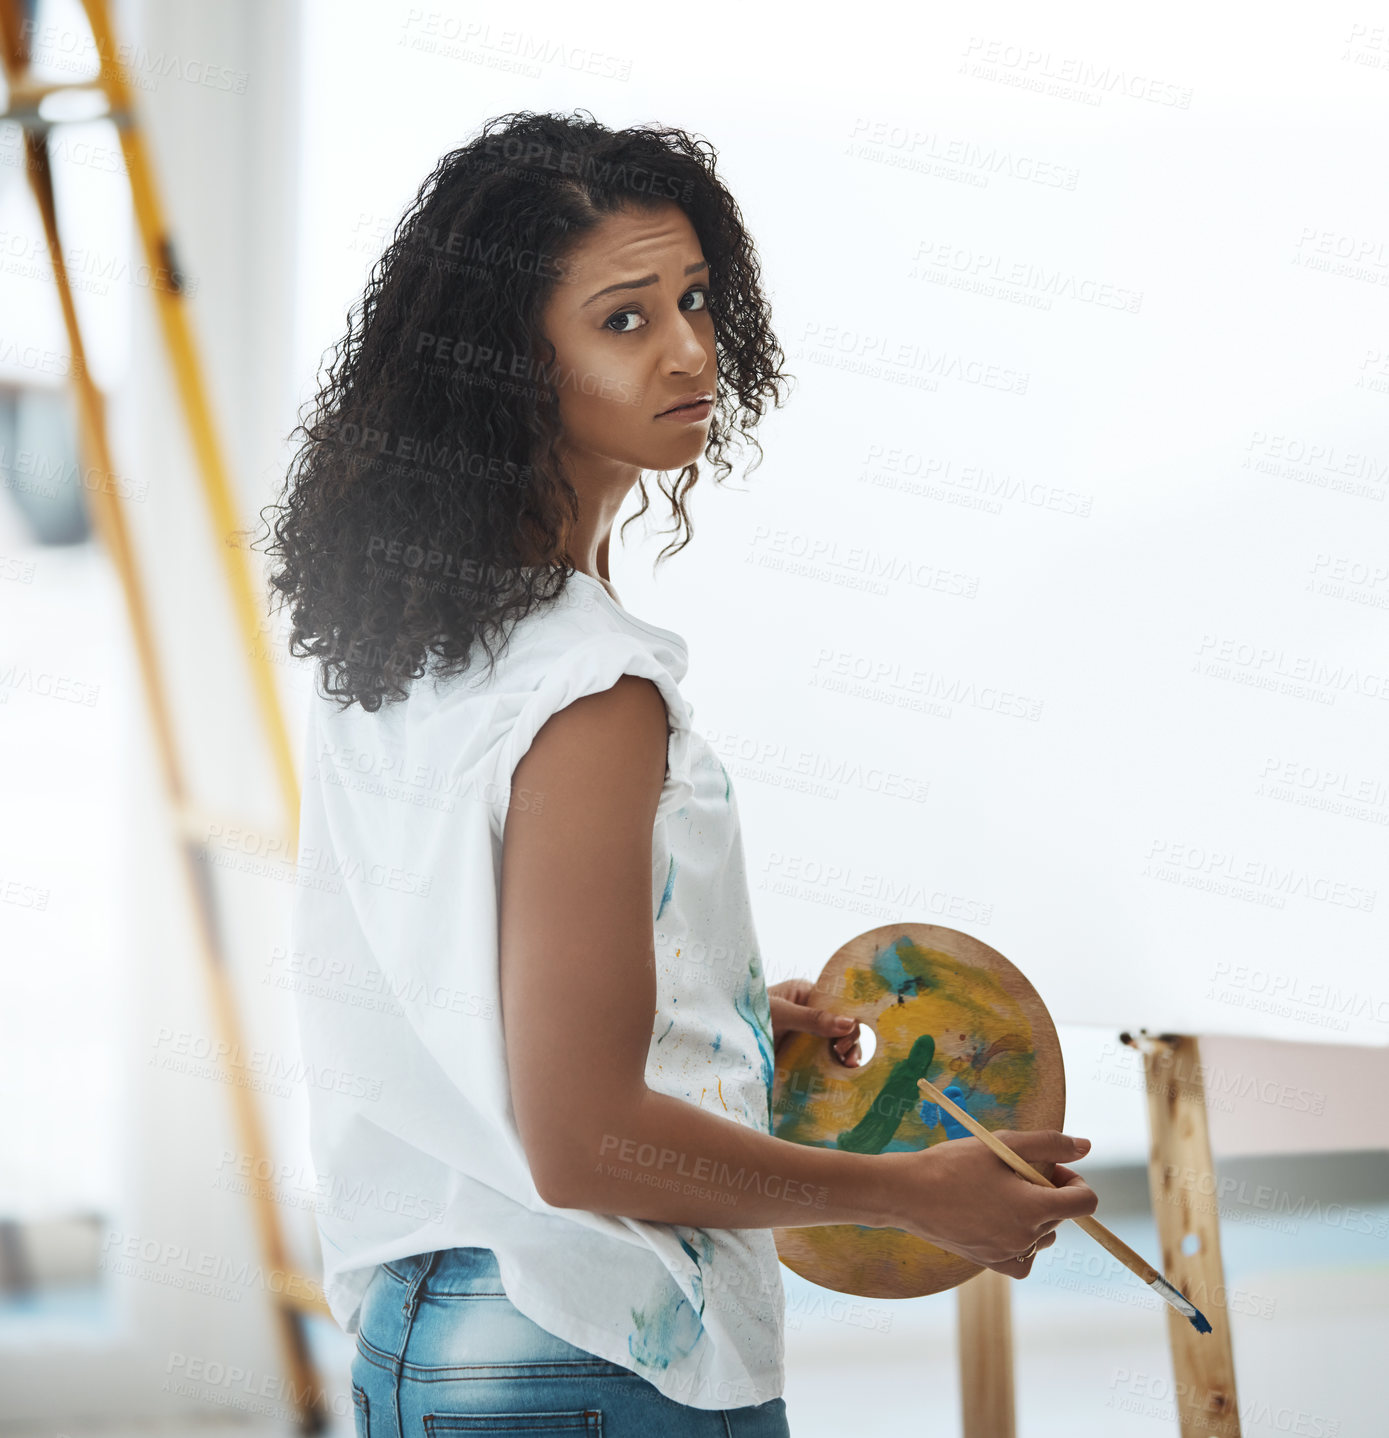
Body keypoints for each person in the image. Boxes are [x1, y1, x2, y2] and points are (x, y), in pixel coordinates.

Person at [259, 108, 1098, 1438]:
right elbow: (584, 1139)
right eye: (624, 319)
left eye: (696, 300)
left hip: (428, 1329)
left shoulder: (405, 634)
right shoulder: (589, 687)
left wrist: (709, 1012)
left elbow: (468, 982)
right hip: (594, 1342)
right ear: (504, 366)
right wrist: (902, 1191)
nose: (692, 350)